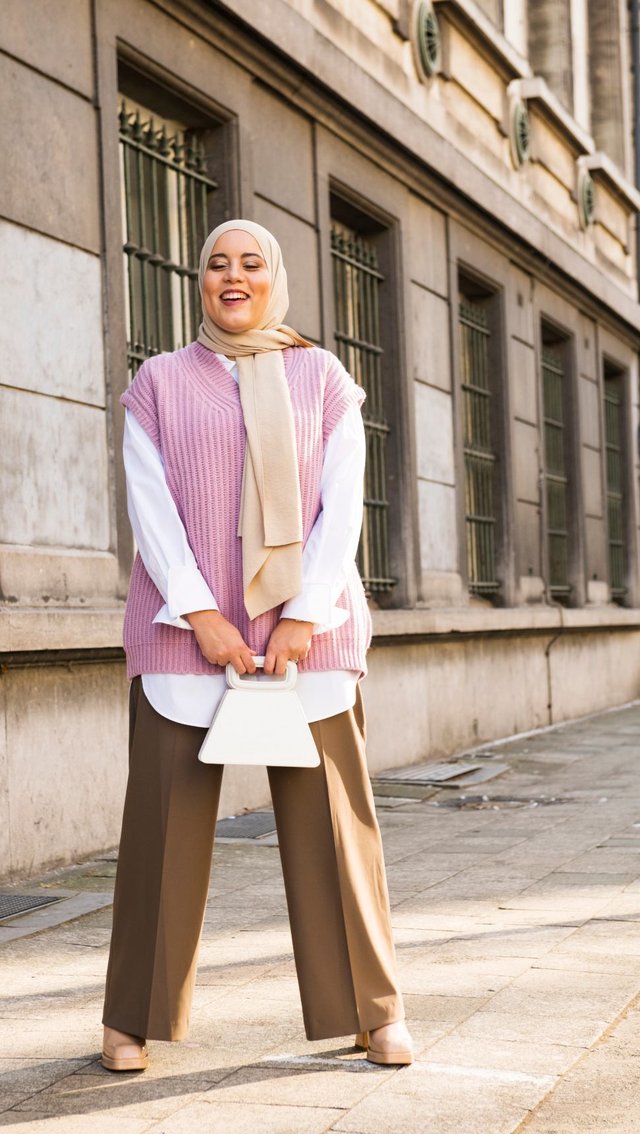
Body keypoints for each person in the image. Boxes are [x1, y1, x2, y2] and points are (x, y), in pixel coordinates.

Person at [100, 218, 412, 1073]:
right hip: (184, 635)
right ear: (197, 280)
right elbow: (150, 508)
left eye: (250, 264)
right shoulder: (159, 383)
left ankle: (372, 1009)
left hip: (310, 634)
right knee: (162, 828)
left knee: (337, 830)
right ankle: (130, 1016)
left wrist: (307, 612)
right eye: (215, 264)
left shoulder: (323, 378)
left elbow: (342, 506)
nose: (231, 277)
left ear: (275, 278)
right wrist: (201, 614)